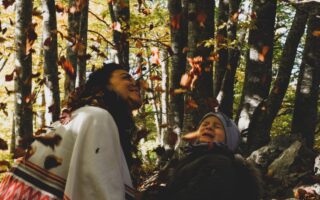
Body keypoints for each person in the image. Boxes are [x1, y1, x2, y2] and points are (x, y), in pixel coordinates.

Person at [0, 63, 142, 200]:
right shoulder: (96, 117)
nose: (134, 82)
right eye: (125, 77)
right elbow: (98, 193)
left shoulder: (80, 118)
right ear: (103, 86)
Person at [143, 112, 262, 200]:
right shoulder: (193, 158)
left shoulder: (220, 163)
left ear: (229, 139)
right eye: (204, 124)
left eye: (217, 126)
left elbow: (200, 194)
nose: (208, 127)